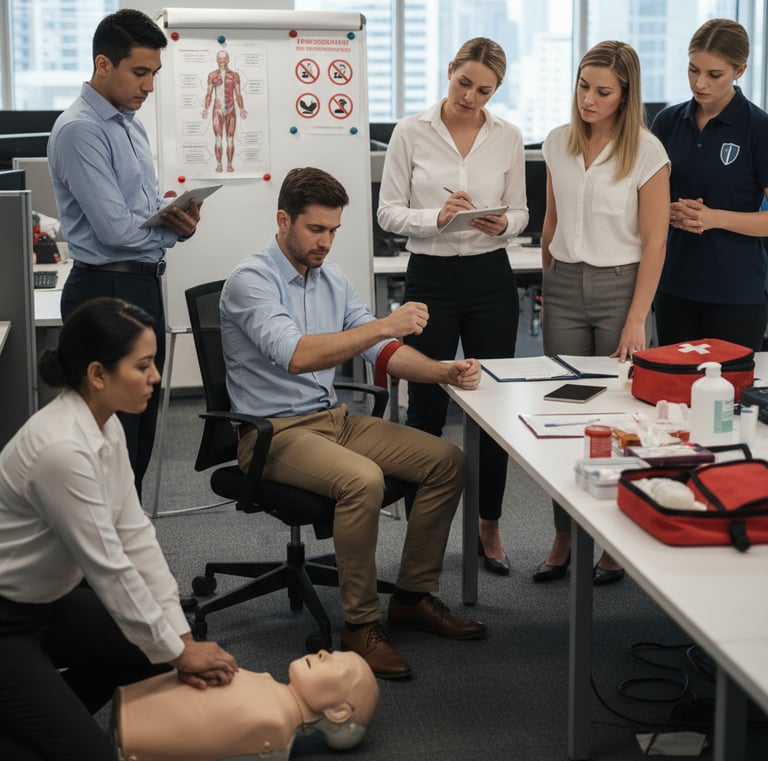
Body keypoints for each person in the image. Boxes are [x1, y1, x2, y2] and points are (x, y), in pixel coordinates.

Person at [220, 166, 487, 681]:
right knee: (362, 480)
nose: (325, 242)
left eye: (334, 231)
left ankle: (411, 598)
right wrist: (385, 324)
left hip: (333, 419)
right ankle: (360, 625)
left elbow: (380, 349)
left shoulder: (331, 277)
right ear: (283, 221)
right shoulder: (251, 280)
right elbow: (296, 355)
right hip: (272, 432)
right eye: (316, 229)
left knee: (447, 461)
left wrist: (441, 371)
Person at [0, 298, 238, 761]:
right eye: (143, 366)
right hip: (5, 620)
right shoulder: (61, 449)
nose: (156, 377)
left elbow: (136, 538)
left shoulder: (104, 427)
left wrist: (180, 642)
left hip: (46, 604)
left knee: (151, 653)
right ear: (97, 374)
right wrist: (178, 653)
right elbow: (108, 568)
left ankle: (36, 718)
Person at [377, 37, 528, 576]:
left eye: (484, 90)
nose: (470, 97)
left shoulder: (508, 136)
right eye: (464, 83)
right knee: (426, 410)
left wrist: (502, 223)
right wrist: (435, 219)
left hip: (490, 278)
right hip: (431, 278)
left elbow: (522, 213)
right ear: (449, 71)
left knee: (493, 408)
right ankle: (426, 534)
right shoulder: (410, 131)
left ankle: (489, 526)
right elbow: (387, 213)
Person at [48, 9, 203, 500]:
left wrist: (175, 216)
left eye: (154, 73)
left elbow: (138, 212)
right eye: (139, 72)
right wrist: (170, 234)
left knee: (140, 427)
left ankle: (124, 534)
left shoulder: (130, 126)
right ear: (103, 64)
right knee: (112, 440)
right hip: (104, 287)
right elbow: (115, 230)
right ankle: (98, 542)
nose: (148, 86)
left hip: (140, 285)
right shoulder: (80, 130)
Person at [536, 41, 670, 586]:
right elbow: (550, 222)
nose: (588, 99)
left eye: (602, 91)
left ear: (625, 95)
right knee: (563, 417)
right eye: (583, 86)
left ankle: (614, 542)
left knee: (618, 417)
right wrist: (549, 281)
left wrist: (638, 317)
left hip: (621, 290)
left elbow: (655, 242)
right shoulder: (556, 143)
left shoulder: (647, 153)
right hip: (565, 286)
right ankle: (564, 535)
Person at [650, 18, 768, 352]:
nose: (700, 83)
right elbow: (644, 201)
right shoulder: (667, 122)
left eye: (714, 74)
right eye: (693, 70)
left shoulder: (759, 128)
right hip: (673, 286)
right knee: (674, 384)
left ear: (740, 70)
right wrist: (666, 211)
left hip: (736, 294)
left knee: (728, 385)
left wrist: (714, 218)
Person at [113, 650, 378, 761]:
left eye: (337, 665)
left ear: (338, 712)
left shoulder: (274, 727)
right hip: (131, 713)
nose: (323, 653)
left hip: (127, 738)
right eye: (331, 652)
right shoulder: (267, 685)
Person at [202, 50, 248, 173]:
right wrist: (206, 108)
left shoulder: (234, 75)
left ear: (228, 59)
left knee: (230, 139)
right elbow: (209, 93)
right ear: (217, 60)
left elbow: (238, 93)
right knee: (218, 139)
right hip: (217, 110)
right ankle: (219, 164)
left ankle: (229, 165)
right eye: (220, 58)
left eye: (224, 58)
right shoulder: (212, 75)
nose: (222, 61)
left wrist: (241, 108)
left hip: (230, 109)